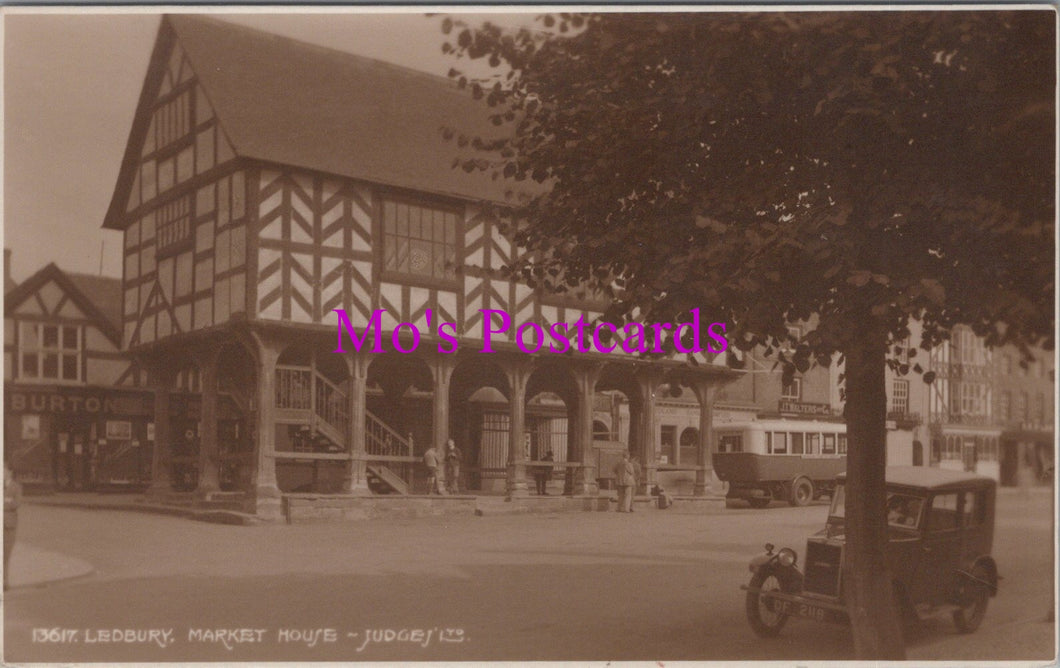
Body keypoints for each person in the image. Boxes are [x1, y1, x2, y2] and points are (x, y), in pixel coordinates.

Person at [4, 461, 21, 590]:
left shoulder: (16, 487)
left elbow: (16, 504)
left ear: (9, 472)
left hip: (9, 525)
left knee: (6, 554)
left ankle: (5, 581)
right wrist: (7, 500)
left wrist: (5, 502)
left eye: (3, 470)